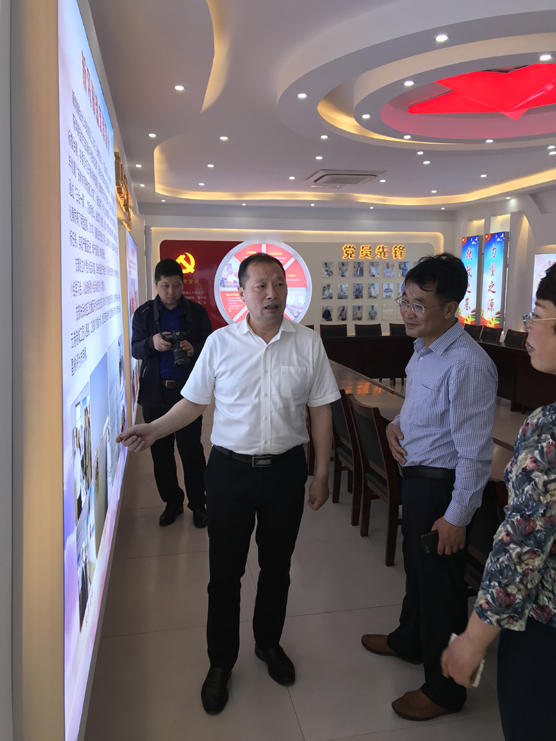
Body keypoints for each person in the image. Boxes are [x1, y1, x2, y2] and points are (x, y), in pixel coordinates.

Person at [117, 252, 340, 714]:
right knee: (224, 575)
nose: (272, 294)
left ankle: (268, 642)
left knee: (277, 567)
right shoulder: (219, 343)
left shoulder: (308, 344)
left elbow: (321, 410)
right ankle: (221, 662)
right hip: (229, 472)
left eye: (279, 284)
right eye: (261, 285)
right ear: (241, 293)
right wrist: (154, 428)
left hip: (284, 472)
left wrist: (321, 473)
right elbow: (193, 403)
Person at [360, 254, 498, 721]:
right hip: (418, 481)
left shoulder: (467, 365)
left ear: (451, 308)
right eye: (404, 300)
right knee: (419, 574)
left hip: (443, 490)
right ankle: (410, 640)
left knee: (442, 590)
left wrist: (457, 516)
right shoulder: (423, 349)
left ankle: (446, 690)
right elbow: (416, 408)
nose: (407, 311)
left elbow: (475, 453)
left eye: (419, 304)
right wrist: (395, 426)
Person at [441, 263, 556, 741]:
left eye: (537, 315)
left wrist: (472, 639)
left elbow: (523, 549)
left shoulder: (548, 429)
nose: (528, 328)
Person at [131, 258, 213, 528]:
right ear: (156, 284)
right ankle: (172, 502)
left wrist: (193, 348)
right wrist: (151, 342)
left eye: (176, 285)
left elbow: (210, 347)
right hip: (155, 393)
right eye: (165, 286)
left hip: (188, 393)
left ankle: (198, 504)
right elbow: (135, 349)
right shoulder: (144, 314)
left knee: (191, 450)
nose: (170, 291)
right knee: (161, 451)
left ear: (182, 284)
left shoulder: (196, 312)